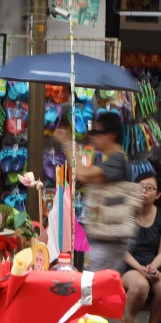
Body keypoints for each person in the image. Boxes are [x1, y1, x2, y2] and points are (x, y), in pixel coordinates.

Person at [56, 112, 131, 273]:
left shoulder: (117, 160)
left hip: (109, 241)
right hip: (102, 238)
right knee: (95, 289)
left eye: (98, 132)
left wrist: (69, 144)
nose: (93, 137)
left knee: (91, 290)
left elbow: (83, 174)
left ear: (112, 135)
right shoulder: (109, 159)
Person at [121, 172, 161, 323]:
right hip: (130, 265)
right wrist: (141, 269)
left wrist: (153, 266)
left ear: (157, 194)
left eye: (150, 188)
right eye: (141, 187)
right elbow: (123, 251)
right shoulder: (126, 214)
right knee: (140, 285)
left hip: (154, 265)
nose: (144, 191)